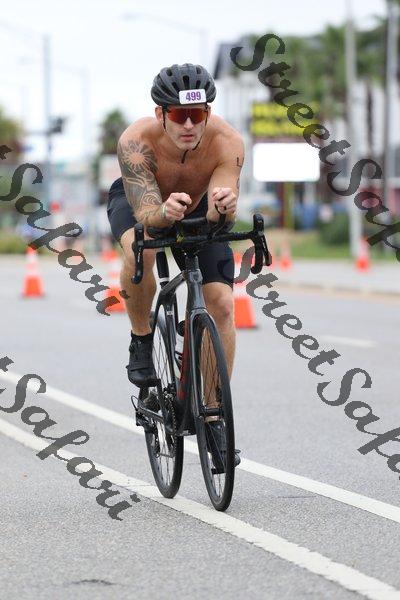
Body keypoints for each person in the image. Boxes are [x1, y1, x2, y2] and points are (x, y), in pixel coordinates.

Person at [107, 63, 244, 389]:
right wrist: (165, 212)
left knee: (222, 304)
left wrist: (223, 209)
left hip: (195, 205)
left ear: (207, 113)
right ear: (161, 114)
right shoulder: (136, 141)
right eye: (179, 115)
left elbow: (219, 218)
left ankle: (214, 410)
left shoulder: (228, 142)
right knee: (141, 251)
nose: (188, 125)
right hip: (139, 201)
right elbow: (147, 213)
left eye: (196, 115)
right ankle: (141, 338)